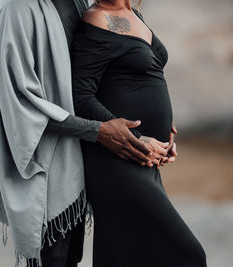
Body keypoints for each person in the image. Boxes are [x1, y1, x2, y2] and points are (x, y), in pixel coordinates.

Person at [0, 0, 176, 266]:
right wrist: (99, 131)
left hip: (82, 164)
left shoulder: (80, 3)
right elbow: (20, 100)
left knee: (72, 258)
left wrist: (151, 127)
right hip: (45, 168)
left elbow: (102, 76)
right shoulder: (15, 9)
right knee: (50, 259)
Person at [71, 0, 206, 266]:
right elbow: (80, 96)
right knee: (188, 256)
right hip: (116, 160)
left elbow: (142, 78)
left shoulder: (133, 12)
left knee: (122, 256)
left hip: (143, 158)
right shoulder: (97, 18)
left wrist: (166, 127)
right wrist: (130, 135)